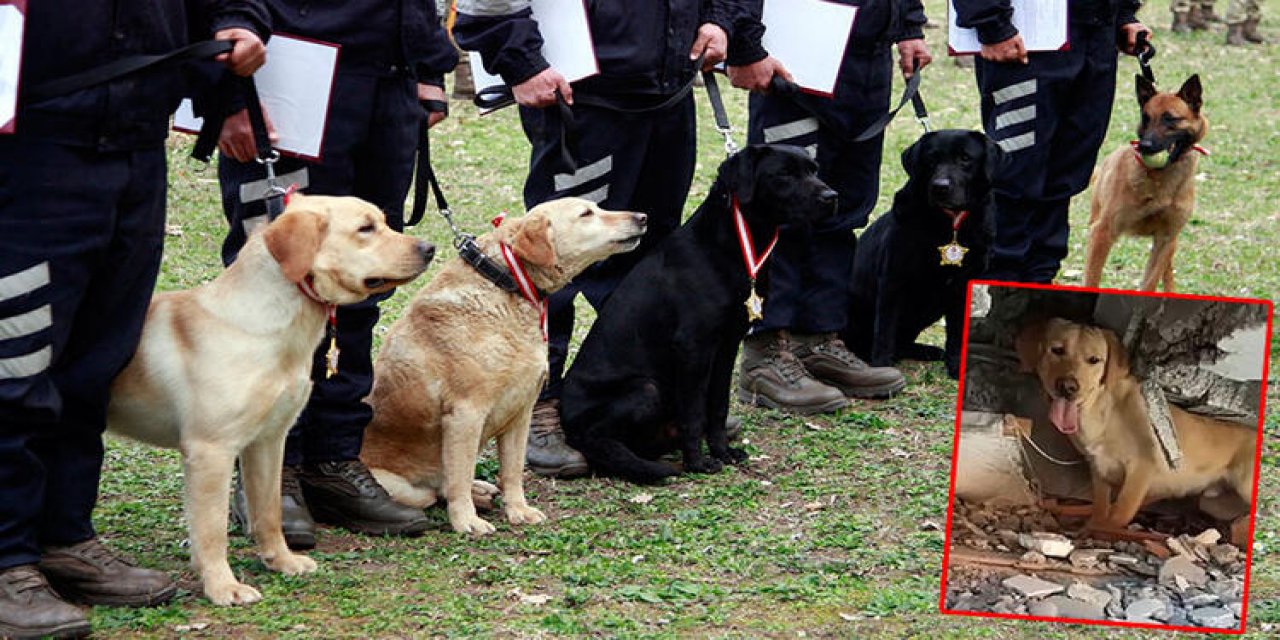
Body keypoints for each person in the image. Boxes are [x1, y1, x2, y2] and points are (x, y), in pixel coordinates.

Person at [0, 2, 266, 637]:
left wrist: (242, 26)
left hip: (136, 157)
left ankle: (65, 538)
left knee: (96, 362)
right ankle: (7, 557)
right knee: (16, 364)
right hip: (31, 156)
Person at [454, 0, 740, 477]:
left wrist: (720, 22)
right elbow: (489, 5)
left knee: (655, 262)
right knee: (552, 265)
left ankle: (655, 404)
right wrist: (523, 64)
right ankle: (537, 407)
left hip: (667, 98)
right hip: (581, 102)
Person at [217, 0, 457, 549]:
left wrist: (427, 72)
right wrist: (227, 99)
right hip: (290, 79)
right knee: (274, 286)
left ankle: (332, 458)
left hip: (387, 85)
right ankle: (270, 472)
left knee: (364, 280)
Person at [725, 0, 929, 414]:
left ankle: (818, 337)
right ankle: (766, 352)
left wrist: (908, 24)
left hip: (866, 58)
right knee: (782, 212)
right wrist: (745, 45)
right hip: (795, 49)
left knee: (842, 209)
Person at [953, 0, 1150, 284]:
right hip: (1025, 38)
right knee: (1014, 176)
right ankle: (997, 294)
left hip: (1094, 37)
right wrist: (991, 24)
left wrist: (1122, 14)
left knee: (1065, 175)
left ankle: (1038, 288)